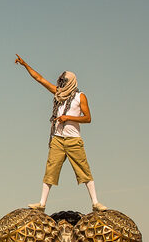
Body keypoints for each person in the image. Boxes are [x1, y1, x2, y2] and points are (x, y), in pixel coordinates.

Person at [14, 55, 106, 211]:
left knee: (83, 170)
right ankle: (42, 204)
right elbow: (40, 79)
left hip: (73, 139)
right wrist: (25, 65)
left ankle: (95, 203)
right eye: (61, 81)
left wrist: (67, 117)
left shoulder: (79, 97)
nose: (61, 84)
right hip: (58, 138)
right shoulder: (58, 94)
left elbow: (88, 118)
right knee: (50, 169)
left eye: (64, 82)